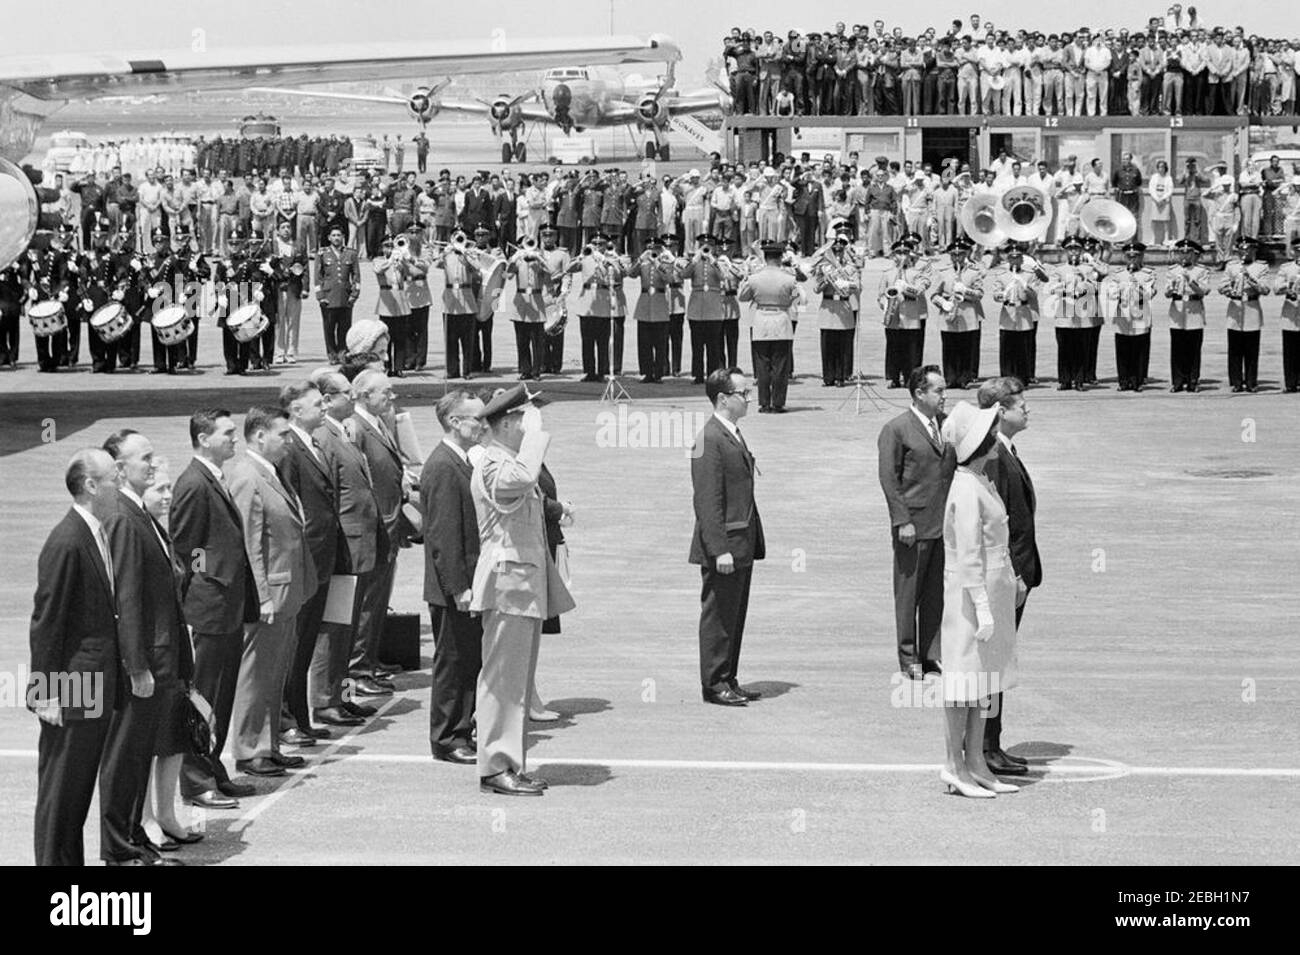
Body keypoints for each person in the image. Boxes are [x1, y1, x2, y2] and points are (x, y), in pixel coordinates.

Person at [471, 385, 575, 794]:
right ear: (510, 422)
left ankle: (509, 761)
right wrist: (535, 436)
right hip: (506, 586)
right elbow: (522, 478)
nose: (535, 424)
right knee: (502, 680)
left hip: (522, 585)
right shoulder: (494, 464)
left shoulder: (509, 460)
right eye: (527, 417)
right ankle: (495, 766)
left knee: (516, 681)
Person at [98, 430, 190, 865]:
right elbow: (126, 600)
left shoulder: (138, 513)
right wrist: (136, 665)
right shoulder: (120, 516)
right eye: (145, 458)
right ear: (119, 468)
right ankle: (119, 849)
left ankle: (135, 837)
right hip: (142, 661)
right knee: (124, 760)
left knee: (137, 757)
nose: (153, 465)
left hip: (160, 654)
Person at [30, 449, 122, 865]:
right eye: (112, 478)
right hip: (72, 686)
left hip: (93, 684)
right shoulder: (67, 540)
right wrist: (46, 693)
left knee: (77, 793)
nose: (118, 485)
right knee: (60, 793)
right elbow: (47, 621)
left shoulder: (94, 532)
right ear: (90, 485)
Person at [171, 410, 258, 811]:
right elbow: (185, 550)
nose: (234, 440)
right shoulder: (193, 482)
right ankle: (195, 780)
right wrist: (212, 578)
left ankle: (212, 765)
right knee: (202, 697)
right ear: (204, 438)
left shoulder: (214, 477)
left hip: (227, 606)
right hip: (209, 608)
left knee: (220, 696)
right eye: (226, 433)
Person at [227, 407, 315, 778]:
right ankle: (249, 749)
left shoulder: (271, 472)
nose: (289, 441)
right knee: (256, 674)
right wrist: (261, 595)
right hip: (271, 594)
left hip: (288, 590)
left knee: (275, 673)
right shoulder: (247, 476)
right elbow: (249, 543)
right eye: (283, 435)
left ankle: (269, 743)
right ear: (260, 436)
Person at [937, 400, 1019, 798]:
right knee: (962, 682)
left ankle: (976, 761)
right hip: (971, 598)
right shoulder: (966, 487)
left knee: (982, 683)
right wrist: (982, 606)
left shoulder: (979, 479)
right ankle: (955, 764)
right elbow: (969, 553)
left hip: (989, 591)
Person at [307, 369, 380, 728]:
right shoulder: (324, 437)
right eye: (345, 393)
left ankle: (342, 695)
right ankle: (324, 700)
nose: (352, 398)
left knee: (348, 630)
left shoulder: (342, 433)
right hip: (345, 547)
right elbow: (329, 496)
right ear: (327, 400)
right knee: (334, 629)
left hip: (360, 544)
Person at [689, 368, 765, 706]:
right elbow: (707, 501)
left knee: (734, 616)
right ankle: (714, 682)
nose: (748, 399)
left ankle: (728, 677)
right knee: (718, 616)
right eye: (743, 393)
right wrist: (718, 549)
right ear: (723, 398)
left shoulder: (731, 433)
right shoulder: (709, 439)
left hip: (742, 543)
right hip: (725, 546)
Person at [975, 379, 1039, 778]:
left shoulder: (1006, 451)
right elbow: (998, 523)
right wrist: (1014, 573)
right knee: (992, 663)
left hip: (1015, 574)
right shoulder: (995, 456)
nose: (1027, 411)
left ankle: (992, 742)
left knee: (999, 662)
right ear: (1001, 411)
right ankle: (985, 745)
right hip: (1005, 577)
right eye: (1021, 406)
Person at [877, 365, 956, 681]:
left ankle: (931, 653)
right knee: (909, 594)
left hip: (943, 523)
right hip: (914, 524)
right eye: (938, 390)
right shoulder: (897, 429)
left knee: (936, 593)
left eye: (944, 388)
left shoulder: (947, 426)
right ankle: (908, 655)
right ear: (919, 393)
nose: (944, 395)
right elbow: (888, 478)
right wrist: (902, 520)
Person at [421, 390, 485, 765]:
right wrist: (458, 587)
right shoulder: (444, 466)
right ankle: (446, 737)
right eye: (475, 418)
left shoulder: (459, 461)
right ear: (454, 422)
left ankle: (461, 727)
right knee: (453, 664)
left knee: (467, 662)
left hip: (465, 583)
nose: (481, 425)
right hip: (453, 587)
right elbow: (445, 536)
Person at [276, 382, 339, 747]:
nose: (324, 408)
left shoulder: (312, 443)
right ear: (296, 410)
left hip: (320, 560)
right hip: (304, 561)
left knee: (306, 644)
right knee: (295, 646)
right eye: (317, 404)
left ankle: (300, 715)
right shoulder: (289, 450)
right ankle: (286, 718)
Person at [348, 371, 407, 695]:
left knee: (379, 599)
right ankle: (357, 669)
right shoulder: (356, 428)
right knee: (367, 602)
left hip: (390, 523)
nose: (392, 397)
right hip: (375, 527)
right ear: (364, 395)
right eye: (386, 392)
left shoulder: (380, 421)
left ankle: (370, 659)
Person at [740, 241, 800, 412]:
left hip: (761, 322)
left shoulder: (754, 278)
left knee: (763, 366)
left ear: (765, 258)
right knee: (780, 367)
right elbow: (797, 300)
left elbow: (743, 297)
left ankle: (764, 403)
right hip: (781, 321)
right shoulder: (789, 279)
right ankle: (778, 403)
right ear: (781, 258)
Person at [1101, 240, 1157, 391]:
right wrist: (1119, 290)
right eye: (1129, 256)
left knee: (1139, 350)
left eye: (1136, 256)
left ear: (1141, 257)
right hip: (1122, 316)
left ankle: (1138, 380)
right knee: (1123, 349)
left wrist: (1136, 286)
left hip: (1140, 314)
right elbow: (1111, 293)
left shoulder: (1148, 274)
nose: (1132, 259)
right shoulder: (1118, 274)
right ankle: (1123, 380)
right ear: (1125, 258)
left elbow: (1150, 293)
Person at [931, 237, 985, 389]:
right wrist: (944, 303)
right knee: (949, 347)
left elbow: (980, 293)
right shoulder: (943, 272)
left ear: (966, 254)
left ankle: (964, 378)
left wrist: (966, 291)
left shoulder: (974, 272)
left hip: (967, 311)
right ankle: (950, 377)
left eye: (960, 254)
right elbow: (934, 295)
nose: (957, 258)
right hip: (948, 313)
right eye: (954, 255)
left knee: (966, 347)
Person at [812, 227, 861, 388]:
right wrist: (826, 280)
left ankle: (841, 376)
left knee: (842, 345)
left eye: (840, 251)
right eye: (835, 251)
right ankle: (828, 376)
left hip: (844, 305)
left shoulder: (851, 267)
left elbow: (858, 286)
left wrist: (846, 282)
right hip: (828, 307)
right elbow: (816, 289)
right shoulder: (824, 267)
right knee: (827, 345)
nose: (838, 254)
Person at [1219, 236, 1268, 392]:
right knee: (1235, 350)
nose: (1244, 254)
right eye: (1241, 250)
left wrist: (1250, 278)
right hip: (1235, 308)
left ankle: (1251, 381)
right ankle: (1236, 382)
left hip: (1252, 307)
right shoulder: (1231, 266)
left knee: (1252, 350)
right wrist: (1227, 289)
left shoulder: (1261, 267)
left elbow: (1265, 289)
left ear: (1254, 251)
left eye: (1248, 250)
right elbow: (1222, 285)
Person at [1166, 238, 1211, 392]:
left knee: (1193, 349)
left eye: (1188, 253)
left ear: (1194, 254)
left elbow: (1203, 291)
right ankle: (1177, 381)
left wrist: (1190, 281)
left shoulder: (1201, 271)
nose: (1184, 256)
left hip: (1194, 310)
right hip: (1177, 311)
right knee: (1177, 349)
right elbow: (1166, 293)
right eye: (1181, 253)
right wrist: (1171, 289)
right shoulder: (1172, 270)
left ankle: (1193, 380)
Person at [316, 226, 361, 364]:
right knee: (329, 327)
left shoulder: (351, 254)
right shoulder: (323, 254)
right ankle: (332, 353)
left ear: (343, 237)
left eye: (339, 235)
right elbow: (318, 277)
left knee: (345, 327)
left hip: (345, 296)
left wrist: (355, 294)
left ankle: (343, 352)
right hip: (328, 296)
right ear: (329, 237)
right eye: (334, 235)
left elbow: (356, 275)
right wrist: (320, 296)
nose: (336, 238)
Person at [1274, 245, 1300, 392]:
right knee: (1290, 352)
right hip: (1291, 314)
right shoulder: (1286, 268)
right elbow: (1276, 288)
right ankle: (1291, 382)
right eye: (1298, 252)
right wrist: (1288, 284)